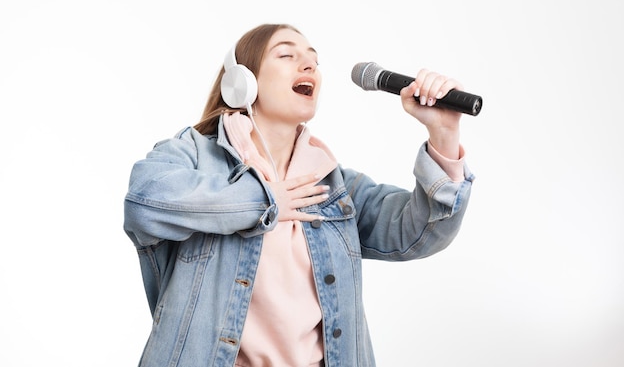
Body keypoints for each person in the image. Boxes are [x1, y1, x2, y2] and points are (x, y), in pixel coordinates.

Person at [123, 23, 475, 367]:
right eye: (286, 55)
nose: (309, 66)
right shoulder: (195, 155)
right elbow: (145, 201)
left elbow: (418, 233)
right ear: (242, 82)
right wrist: (264, 200)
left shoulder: (332, 186)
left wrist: (443, 133)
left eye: (313, 60)